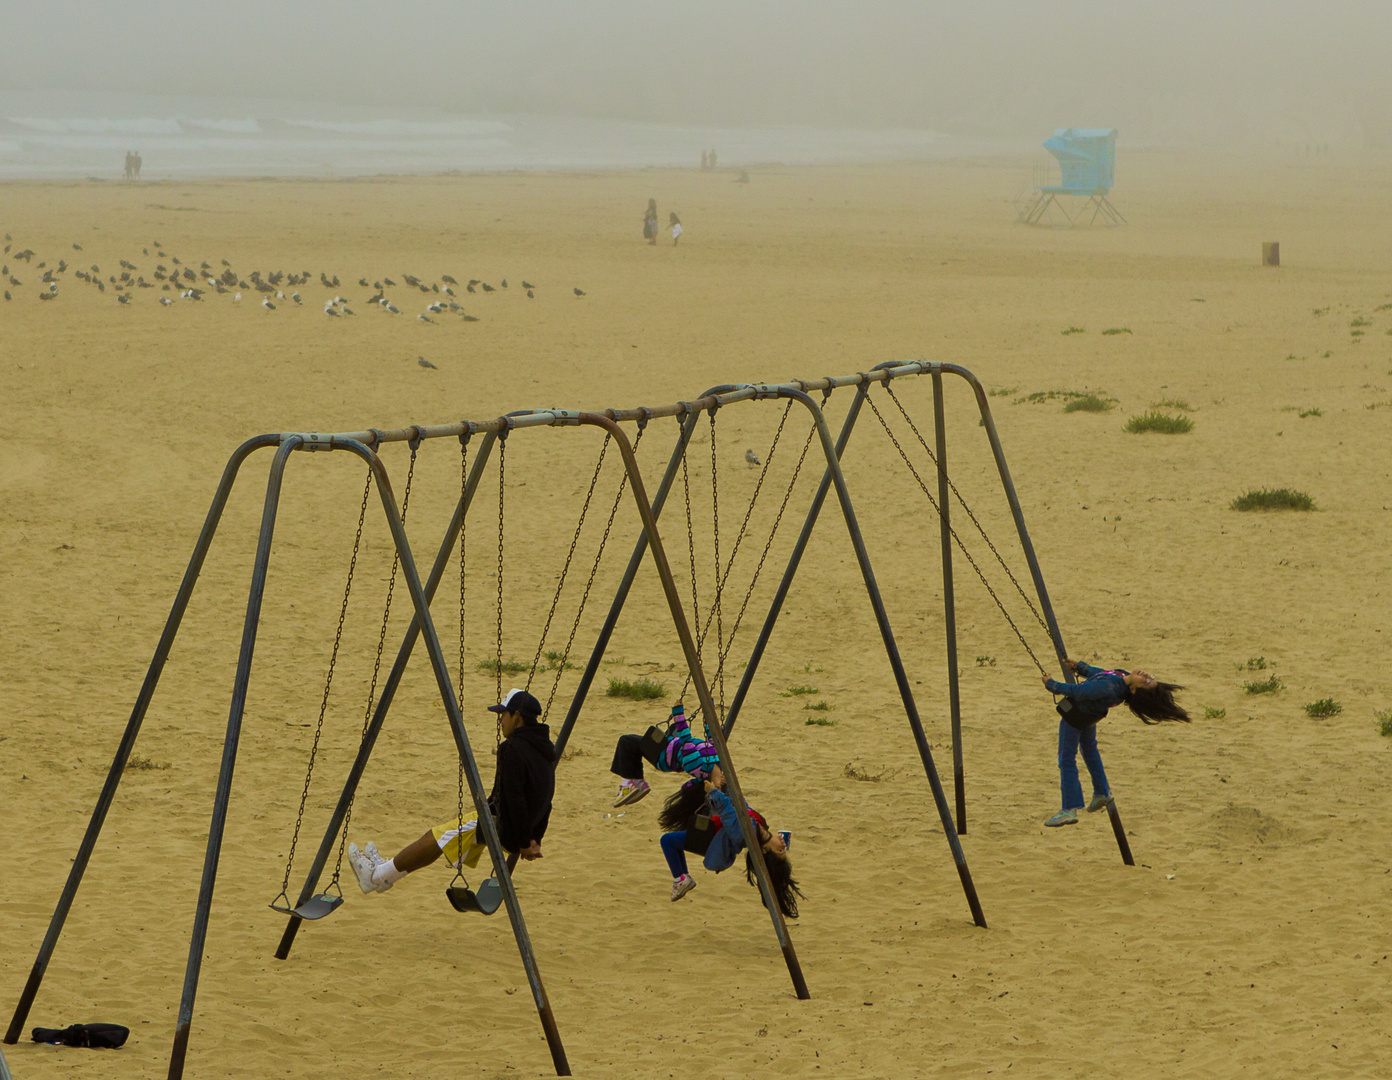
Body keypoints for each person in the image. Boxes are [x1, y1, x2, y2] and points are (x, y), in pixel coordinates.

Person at [347, 688, 556, 893]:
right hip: (521, 829)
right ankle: (384, 875)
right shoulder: (546, 749)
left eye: (503, 714)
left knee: (437, 836)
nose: (500, 720)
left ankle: (375, 876)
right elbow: (547, 798)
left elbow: (515, 798)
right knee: (443, 841)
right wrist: (535, 837)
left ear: (517, 716)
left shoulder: (512, 748)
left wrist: (523, 843)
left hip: (501, 826)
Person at [1041, 658, 1189, 827]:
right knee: (1089, 750)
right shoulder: (1123, 678)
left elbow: (1078, 691)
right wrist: (1080, 667)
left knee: (1066, 759)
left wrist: (1051, 685)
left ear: (1134, 690)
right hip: (1089, 717)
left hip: (1075, 717)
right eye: (1151, 677)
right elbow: (1103, 674)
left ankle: (1069, 808)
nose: (1146, 675)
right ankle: (1102, 792)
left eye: (1146, 681)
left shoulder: (1109, 689)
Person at [658, 768, 800, 915]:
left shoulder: (746, 837)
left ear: (765, 849)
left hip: (709, 839)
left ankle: (681, 878)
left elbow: (728, 814)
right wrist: (725, 787)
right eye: (784, 848)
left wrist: (714, 792)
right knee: (673, 842)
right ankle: (683, 877)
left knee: (667, 841)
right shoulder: (760, 825)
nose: (783, 844)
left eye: (780, 850)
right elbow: (739, 805)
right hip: (713, 830)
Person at [610, 700, 718, 806]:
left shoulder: (697, 767)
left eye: (718, 787)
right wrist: (709, 708)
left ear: (708, 783)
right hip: (668, 746)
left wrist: (678, 714)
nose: (723, 782)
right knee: (635, 747)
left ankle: (627, 786)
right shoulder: (718, 760)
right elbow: (712, 732)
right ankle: (639, 783)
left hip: (662, 756)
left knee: (626, 741)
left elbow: (686, 740)